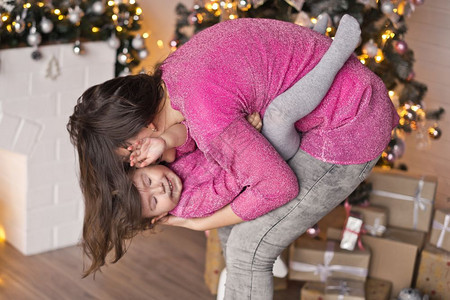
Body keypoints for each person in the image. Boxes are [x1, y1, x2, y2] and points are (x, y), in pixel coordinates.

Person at [67, 15, 399, 298]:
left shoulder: (206, 116)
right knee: (234, 229)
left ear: (144, 128)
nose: (140, 164)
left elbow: (278, 187)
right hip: (338, 93)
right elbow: (191, 141)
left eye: (130, 156)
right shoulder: (174, 76)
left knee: (247, 252)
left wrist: (198, 223)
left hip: (350, 120)